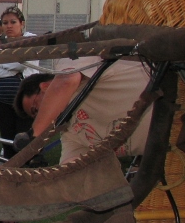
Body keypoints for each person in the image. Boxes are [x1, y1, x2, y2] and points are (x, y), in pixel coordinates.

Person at [15, 56, 153, 164]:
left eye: (35, 108)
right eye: (35, 116)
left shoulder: (70, 60)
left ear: (45, 87)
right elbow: (70, 168)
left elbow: (67, 80)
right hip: (168, 145)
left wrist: (35, 135)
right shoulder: (70, 134)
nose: (41, 115)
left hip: (170, 97)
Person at [0, 6, 35, 158]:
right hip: (2, 101)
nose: (9, 26)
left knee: (24, 141)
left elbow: (25, 63)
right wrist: (14, 67)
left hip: (25, 100)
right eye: (5, 23)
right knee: (7, 141)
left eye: (13, 22)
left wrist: (1, 62)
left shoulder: (31, 39)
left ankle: (23, 175)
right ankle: (8, 176)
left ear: (22, 23)